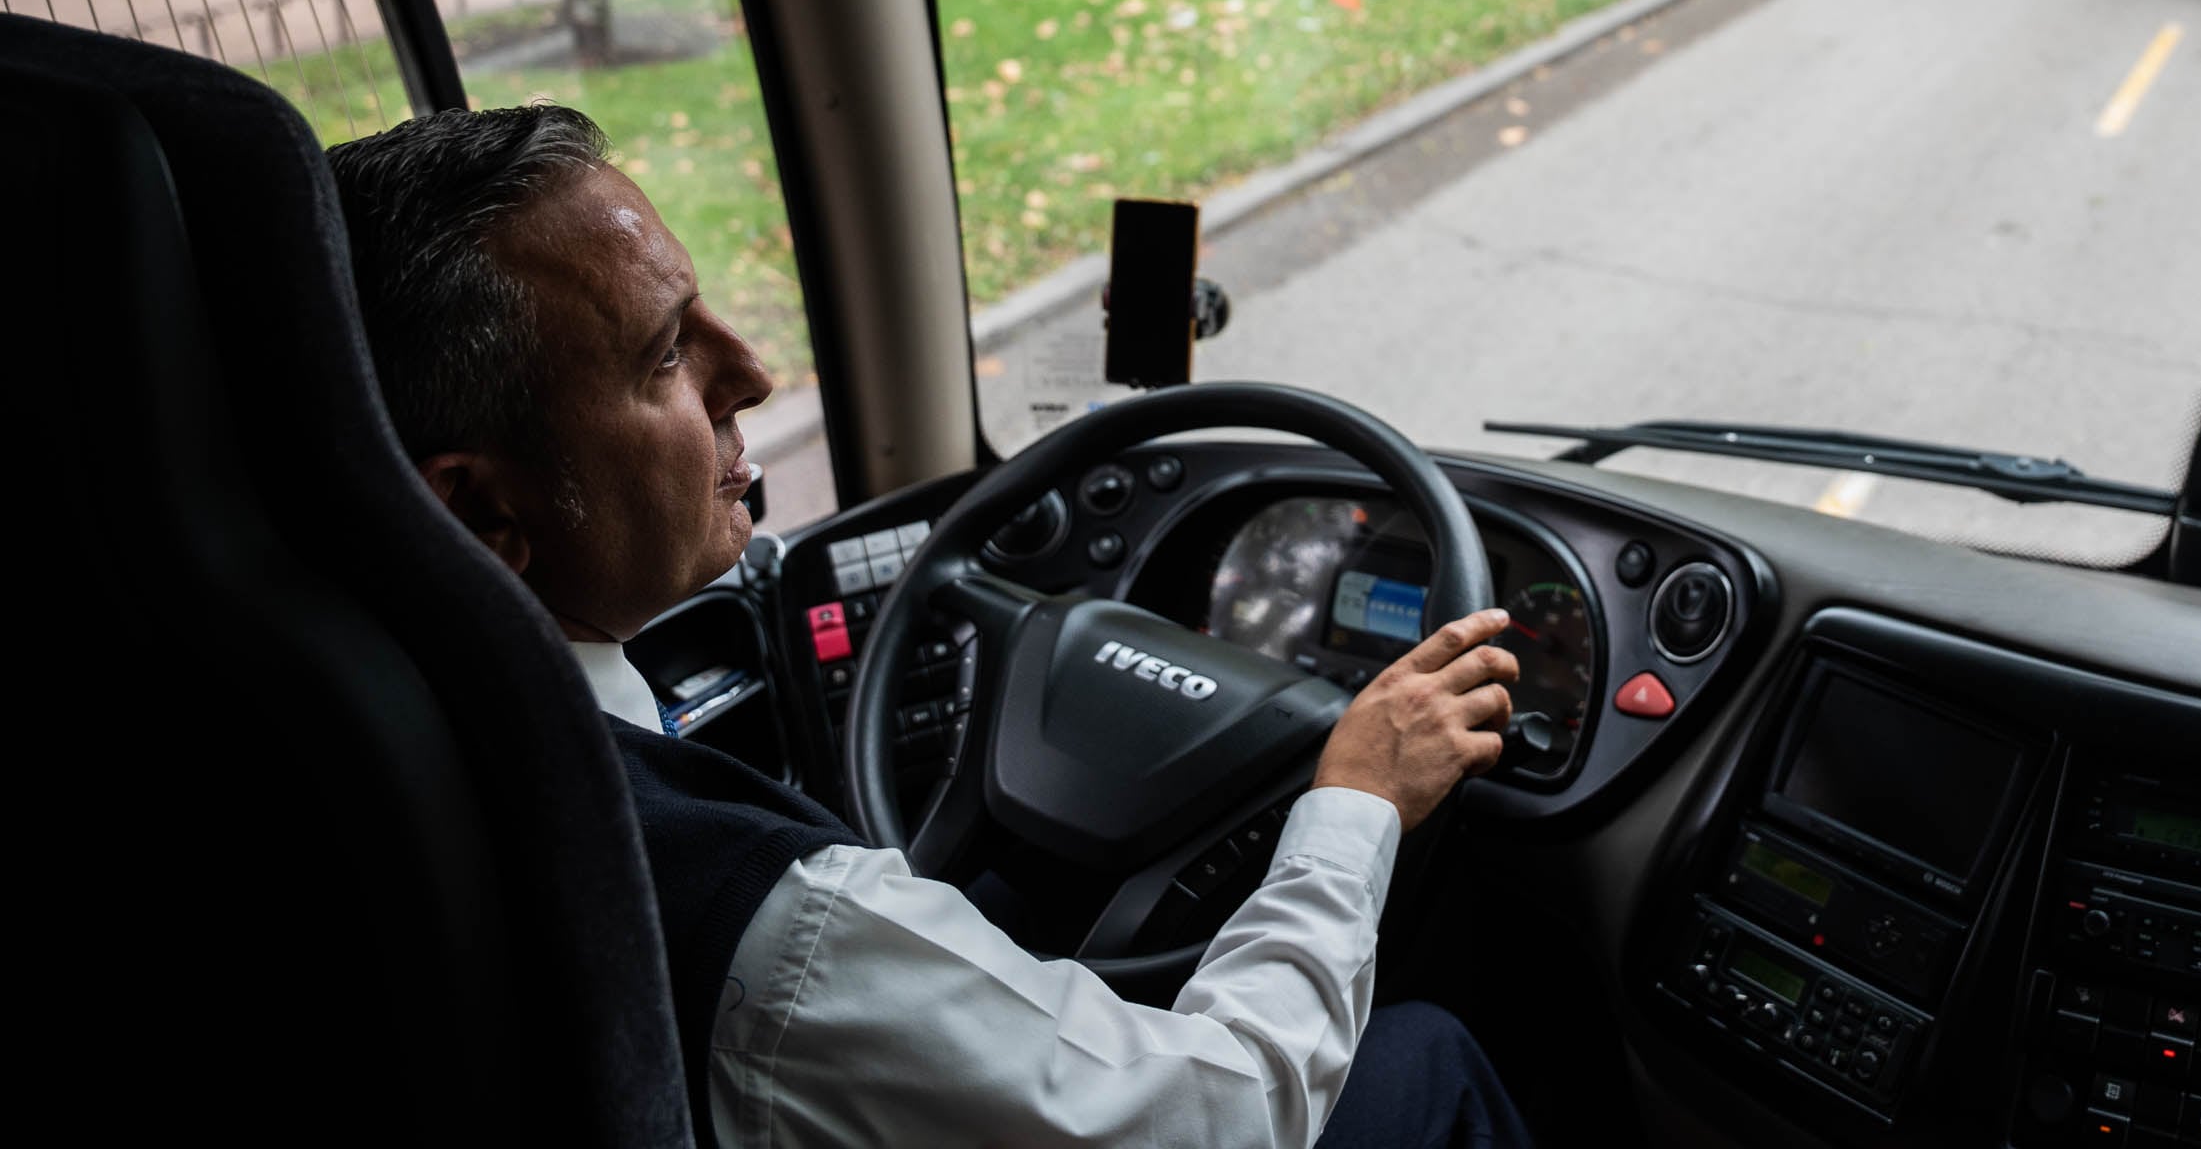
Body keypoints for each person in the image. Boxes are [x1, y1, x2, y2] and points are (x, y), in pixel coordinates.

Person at [326, 104, 1535, 1149]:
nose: (749, 370)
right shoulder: (770, 920)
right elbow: (1223, 1115)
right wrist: (1356, 796)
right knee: (1424, 1055)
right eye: (662, 356)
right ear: (484, 504)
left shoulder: (337, 715)